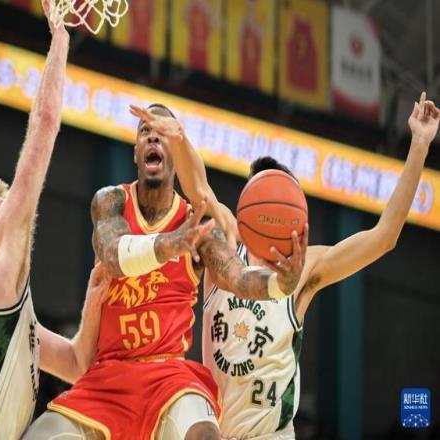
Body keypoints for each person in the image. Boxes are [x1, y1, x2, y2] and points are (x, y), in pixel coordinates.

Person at [134, 93, 440, 439]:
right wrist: (178, 138)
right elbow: (199, 189)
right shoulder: (225, 242)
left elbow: (384, 236)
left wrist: (419, 145)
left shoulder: (306, 267)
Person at [24, 103, 307, 440]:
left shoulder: (199, 226)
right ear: (136, 153)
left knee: (204, 434)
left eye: (161, 133)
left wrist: (280, 283)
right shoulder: (111, 202)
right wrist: (170, 244)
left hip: (169, 378)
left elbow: (239, 278)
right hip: (108, 379)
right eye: (145, 132)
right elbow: (112, 255)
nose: (153, 137)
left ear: (175, 155)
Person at [0, 4, 111, 439]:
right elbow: (44, 124)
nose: (16, 208)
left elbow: (76, 364)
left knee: (70, 424)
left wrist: (93, 302)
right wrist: (60, 38)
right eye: (4, 205)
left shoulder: (7, 319)